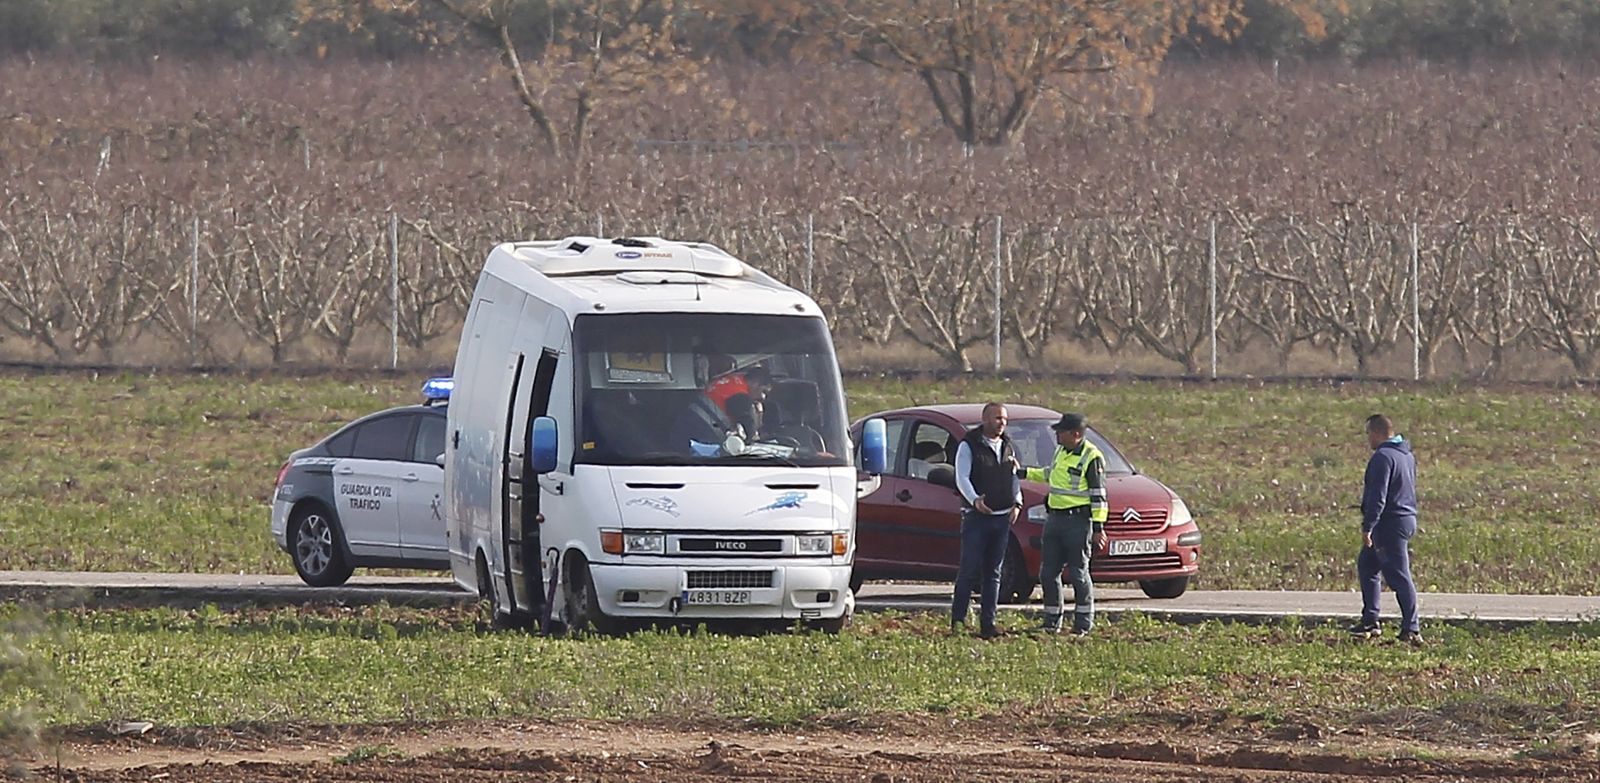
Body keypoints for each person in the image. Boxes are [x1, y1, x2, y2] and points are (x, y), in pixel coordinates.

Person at [1017, 413, 1107, 636]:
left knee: (1078, 573)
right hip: (1055, 519)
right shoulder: (1061, 451)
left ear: (1076, 434)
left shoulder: (1091, 457)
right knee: (1048, 573)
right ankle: (1051, 621)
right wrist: (1024, 472)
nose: (1057, 435)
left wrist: (1098, 528)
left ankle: (1083, 623)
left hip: (1078, 522)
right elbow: (1051, 475)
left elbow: (1098, 496)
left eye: (1061, 432)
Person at [1348, 414, 1423, 645]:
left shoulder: (1382, 457)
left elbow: (1378, 496)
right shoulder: (1406, 455)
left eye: (1368, 433)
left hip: (1389, 523)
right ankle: (1370, 620)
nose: (1368, 439)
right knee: (1368, 565)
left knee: (1398, 574)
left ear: (1377, 432)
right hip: (1406, 517)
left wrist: (1368, 525)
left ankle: (1411, 628)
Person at [951, 402, 1021, 639]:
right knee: (969, 570)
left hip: (1002, 519)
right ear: (985, 419)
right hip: (977, 518)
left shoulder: (1008, 445)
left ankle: (988, 624)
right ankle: (958, 622)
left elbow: (1014, 475)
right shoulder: (970, 445)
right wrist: (974, 500)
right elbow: (961, 477)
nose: (1002, 423)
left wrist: (1017, 502)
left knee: (994, 572)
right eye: (997, 418)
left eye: (1005, 419)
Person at [707, 365, 771, 440]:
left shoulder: (736, 378)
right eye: (764, 391)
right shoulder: (740, 396)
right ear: (755, 383)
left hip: (704, 417)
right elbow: (748, 431)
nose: (763, 397)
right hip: (710, 431)